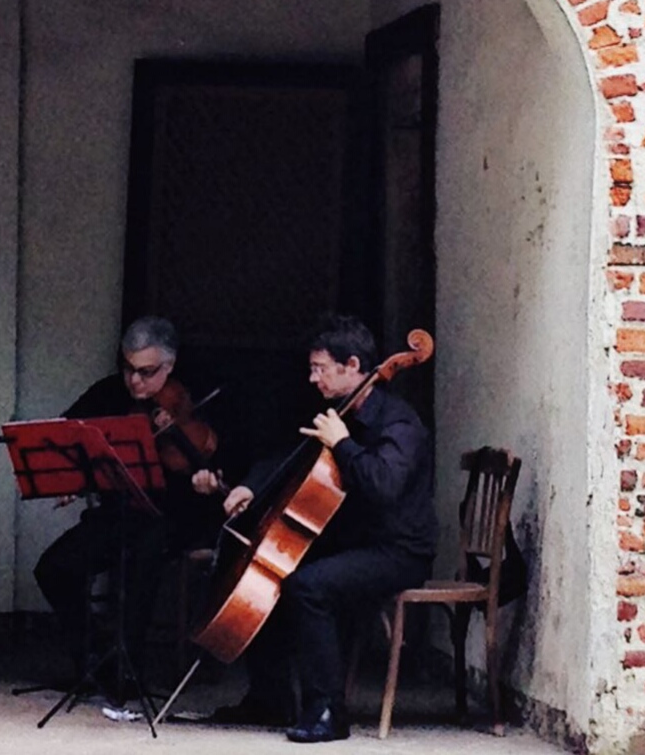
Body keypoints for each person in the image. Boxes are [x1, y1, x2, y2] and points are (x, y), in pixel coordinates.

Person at [218, 314, 437, 743]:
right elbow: (292, 455)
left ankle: (328, 713)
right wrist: (251, 485)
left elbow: (384, 485)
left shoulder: (399, 423)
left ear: (352, 366)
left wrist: (342, 444)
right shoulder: (344, 415)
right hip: (359, 542)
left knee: (309, 587)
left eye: (320, 368)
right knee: (271, 571)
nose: (312, 377)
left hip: (399, 552)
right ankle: (271, 696)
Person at [33, 316, 229, 704]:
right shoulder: (108, 394)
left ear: (169, 367)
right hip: (120, 512)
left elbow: (225, 466)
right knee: (54, 568)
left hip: (178, 517)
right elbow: (65, 435)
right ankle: (95, 658)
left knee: (142, 553)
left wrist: (210, 480)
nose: (134, 382)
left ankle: (130, 669)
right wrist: (74, 477)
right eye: (128, 369)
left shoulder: (196, 395)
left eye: (147, 372)